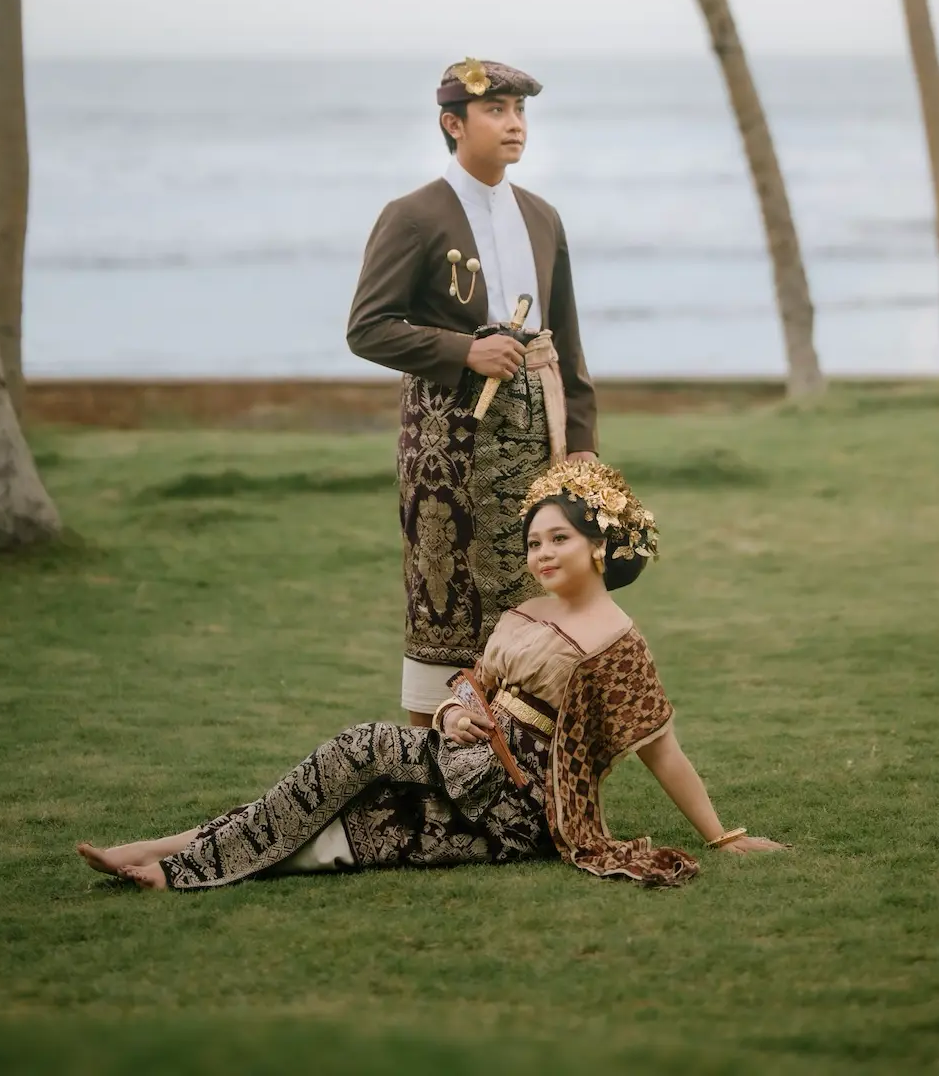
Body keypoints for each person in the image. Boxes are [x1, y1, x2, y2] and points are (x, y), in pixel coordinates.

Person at [76, 460, 787, 891]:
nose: (541, 554)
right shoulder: (527, 611)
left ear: (600, 545)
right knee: (344, 797)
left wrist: (720, 835)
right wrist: (453, 714)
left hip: (523, 801)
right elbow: (472, 683)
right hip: (465, 757)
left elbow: (663, 752)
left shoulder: (620, 644)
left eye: (559, 538)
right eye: (533, 541)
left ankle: (173, 867)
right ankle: (165, 852)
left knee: (362, 765)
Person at [346, 57, 598, 726]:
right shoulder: (412, 216)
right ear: (452, 124)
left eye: (520, 111)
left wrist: (583, 446)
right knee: (449, 601)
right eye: (496, 111)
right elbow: (367, 328)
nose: (515, 125)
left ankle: (524, 763)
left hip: (539, 440)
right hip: (448, 447)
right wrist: (465, 351)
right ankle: (435, 767)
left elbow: (567, 342)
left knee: (542, 582)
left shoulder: (543, 217)